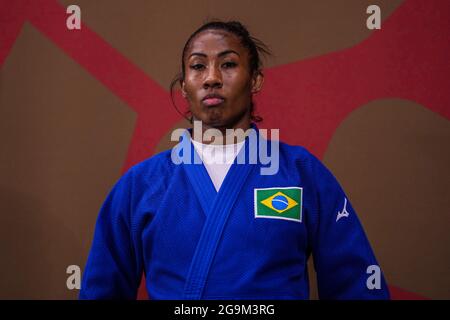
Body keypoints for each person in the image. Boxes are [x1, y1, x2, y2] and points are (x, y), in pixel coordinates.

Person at [80, 20, 390, 300]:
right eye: (198, 67)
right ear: (184, 85)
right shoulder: (140, 185)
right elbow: (101, 292)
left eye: (228, 64)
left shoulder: (301, 173)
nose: (211, 78)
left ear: (255, 79)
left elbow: (357, 287)